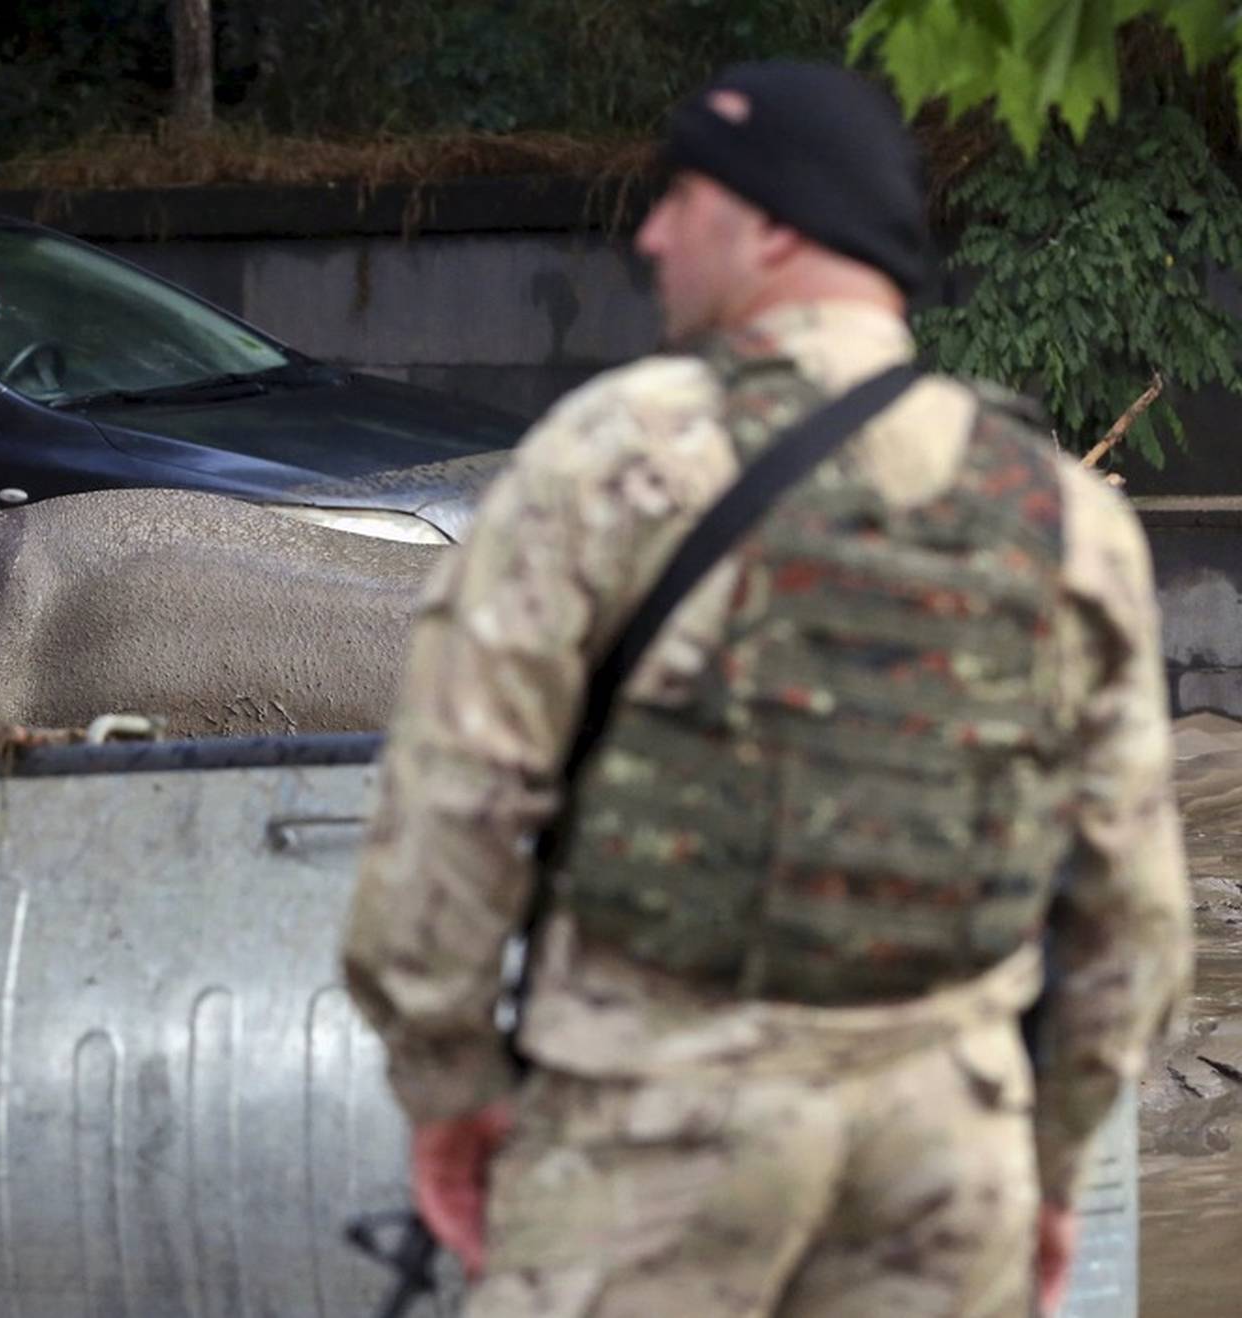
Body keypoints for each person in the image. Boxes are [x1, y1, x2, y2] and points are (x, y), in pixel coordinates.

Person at [341, 60, 1192, 1318]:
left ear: (778, 221)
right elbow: (1133, 907)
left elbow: (455, 805)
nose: (652, 234)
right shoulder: (1060, 511)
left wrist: (452, 1087)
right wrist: (1052, 1166)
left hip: (655, 1126)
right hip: (943, 1153)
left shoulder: (606, 456)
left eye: (684, 195)